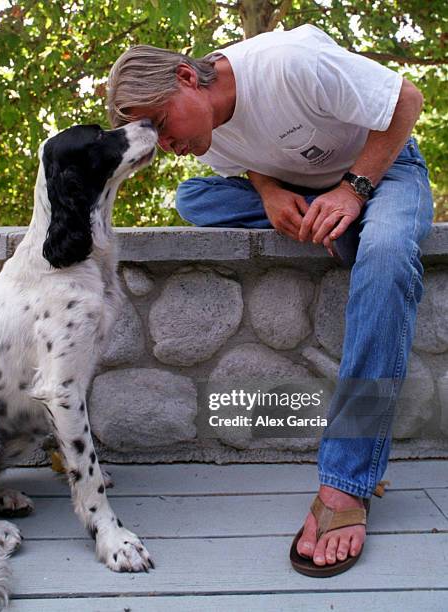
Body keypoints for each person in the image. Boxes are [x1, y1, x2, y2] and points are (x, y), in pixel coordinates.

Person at [107, 24, 434, 576]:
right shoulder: (204, 132)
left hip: (384, 168)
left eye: (161, 124)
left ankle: (347, 483)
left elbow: (407, 100)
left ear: (188, 76)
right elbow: (250, 156)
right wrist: (269, 190)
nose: (165, 145)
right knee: (193, 195)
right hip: (302, 186)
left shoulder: (288, 62)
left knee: (385, 256)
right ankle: (335, 226)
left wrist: (352, 190)